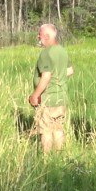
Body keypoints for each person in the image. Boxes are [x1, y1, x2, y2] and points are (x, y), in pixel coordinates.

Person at [28, 23, 73, 153]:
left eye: (40, 35)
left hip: (48, 99)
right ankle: (59, 156)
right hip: (61, 97)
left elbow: (46, 76)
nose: (38, 37)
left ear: (46, 36)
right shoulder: (62, 51)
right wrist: (58, 79)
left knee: (46, 130)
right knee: (58, 129)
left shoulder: (46, 53)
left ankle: (46, 160)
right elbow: (70, 71)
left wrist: (35, 96)